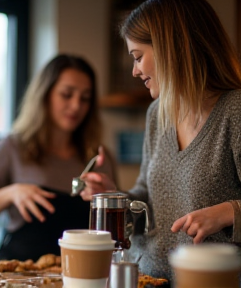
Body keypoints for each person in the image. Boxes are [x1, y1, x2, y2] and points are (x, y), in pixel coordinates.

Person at [79, 0, 241, 282]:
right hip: (145, 278)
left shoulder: (234, 111)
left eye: (138, 57)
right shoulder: (158, 113)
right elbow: (147, 201)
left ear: (172, 48)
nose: (134, 71)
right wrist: (115, 197)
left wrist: (231, 211)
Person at [0, 54, 117, 261]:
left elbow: (118, 226)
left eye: (85, 98)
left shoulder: (99, 157)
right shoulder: (13, 147)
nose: (76, 106)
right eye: (66, 94)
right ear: (45, 95)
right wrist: (11, 193)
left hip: (82, 273)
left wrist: (110, 195)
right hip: (19, 274)